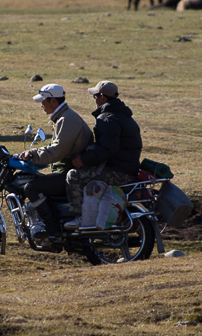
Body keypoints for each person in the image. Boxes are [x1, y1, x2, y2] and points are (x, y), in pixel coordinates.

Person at [17, 83, 93, 240]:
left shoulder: (67, 119)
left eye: (43, 101)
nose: (42, 105)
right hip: (67, 170)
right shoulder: (63, 117)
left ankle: (51, 227)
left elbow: (58, 150)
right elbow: (57, 147)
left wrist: (33, 155)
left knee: (31, 187)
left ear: (53, 100)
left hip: (72, 172)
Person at [64, 81, 142, 230]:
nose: (94, 99)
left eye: (95, 96)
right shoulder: (124, 116)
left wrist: (83, 159)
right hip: (127, 168)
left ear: (102, 97)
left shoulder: (107, 118)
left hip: (118, 172)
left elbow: (108, 150)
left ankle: (80, 217)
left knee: (73, 175)